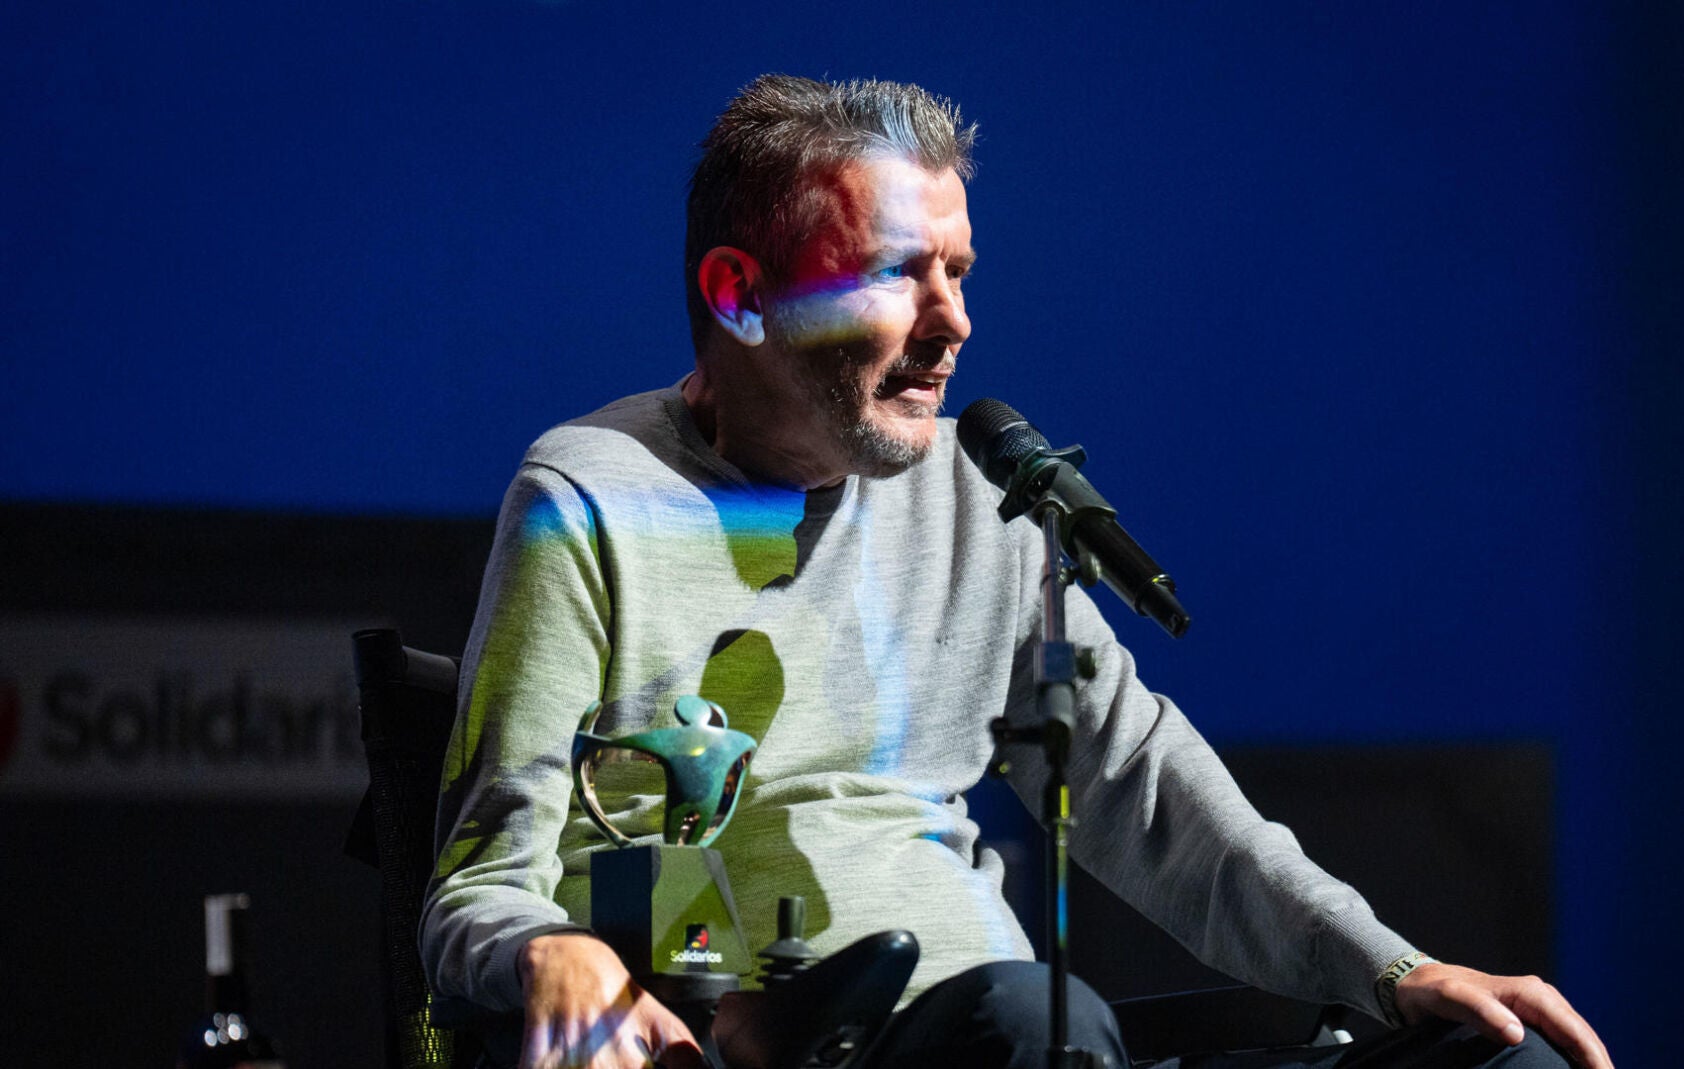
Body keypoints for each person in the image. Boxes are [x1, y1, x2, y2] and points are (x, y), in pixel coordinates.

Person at [419, 74, 1613, 1069]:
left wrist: (1391, 968)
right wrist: (548, 953)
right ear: (740, 296)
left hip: (1038, 1036)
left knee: (1505, 1058)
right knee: (1032, 1019)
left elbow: (1145, 792)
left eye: (960, 271)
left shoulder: (976, 495)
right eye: (898, 272)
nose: (954, 322)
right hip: (819, 1041)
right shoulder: (591, 498)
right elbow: (476, 890)